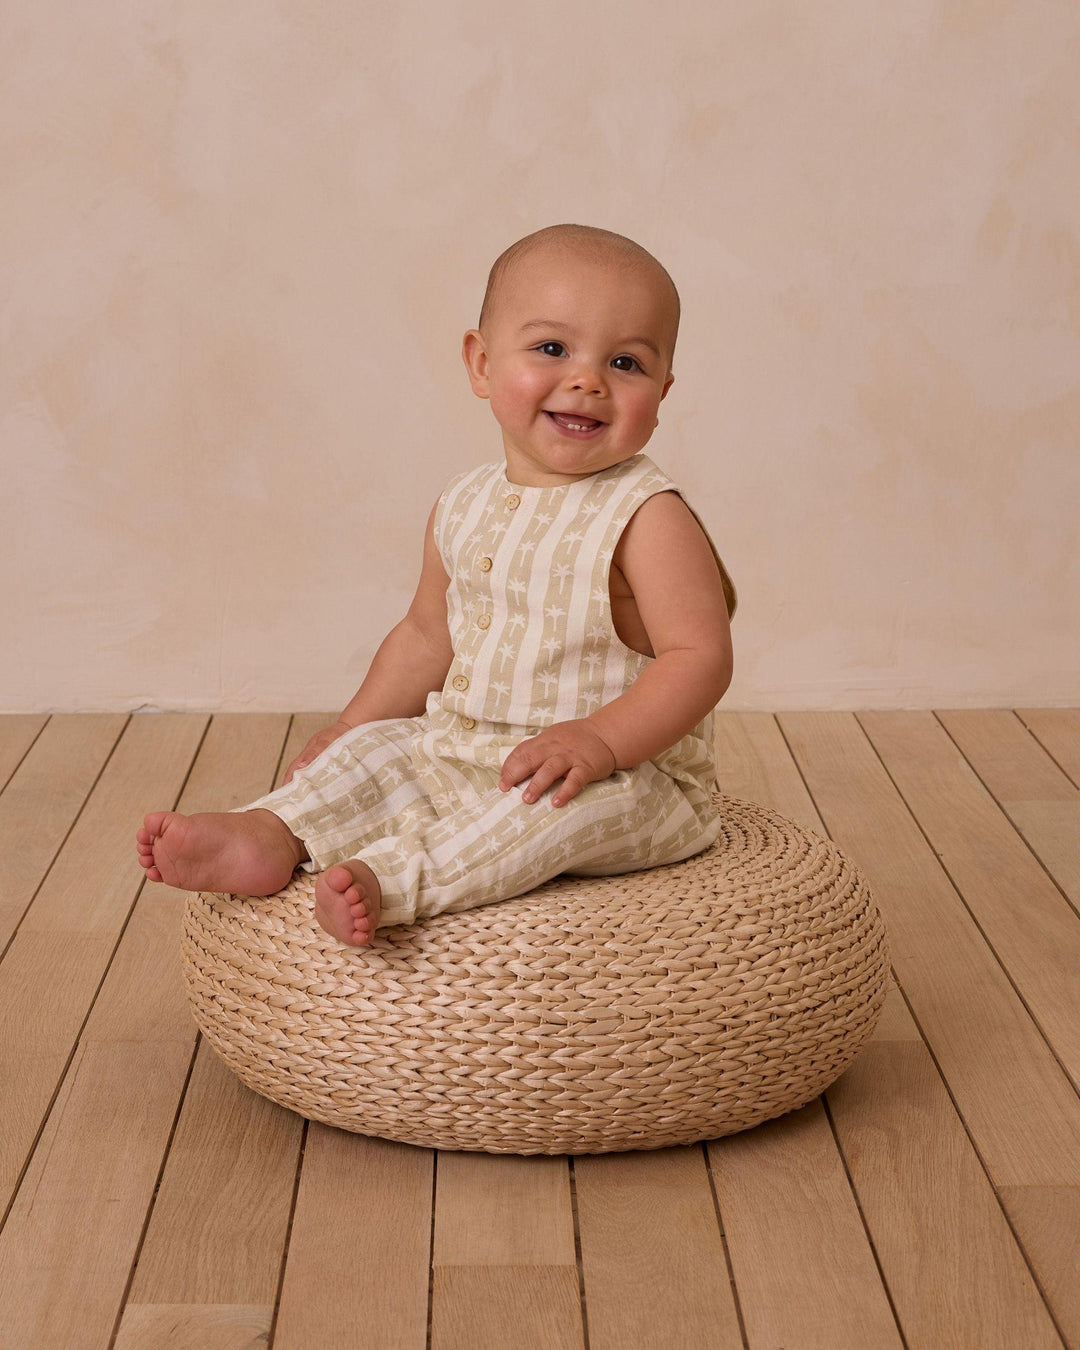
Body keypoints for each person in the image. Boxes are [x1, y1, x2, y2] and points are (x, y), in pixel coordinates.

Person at [136, 222, 738, 947]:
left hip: (626, 781)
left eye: (626, 362)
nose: (588, 380)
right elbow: (427, 635)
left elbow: (699, 657)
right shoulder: (464, 501)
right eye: (552, 349)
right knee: (378, 755)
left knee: (546, 817)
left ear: (663, 391)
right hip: (464, 750)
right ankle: (270, 833)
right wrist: (353, 725)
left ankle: (393, 881)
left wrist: (599, 742)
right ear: (481, 364)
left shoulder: (645, 515)